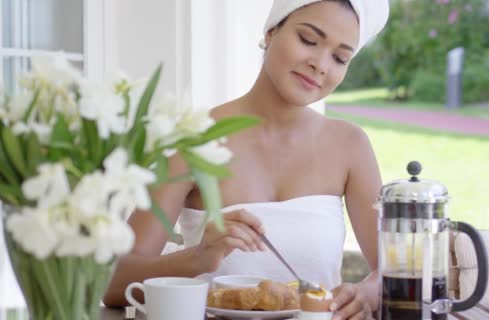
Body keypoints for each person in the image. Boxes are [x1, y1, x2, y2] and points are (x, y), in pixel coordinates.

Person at [103, 1, 389, 319]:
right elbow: (112, 284)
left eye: (340, 58)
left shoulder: (349, 145)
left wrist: (366, 294)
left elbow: (395, 272)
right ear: (270, 31)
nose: (321, 64)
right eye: (308, 40)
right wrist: (197, 258)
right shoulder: (196, 137)